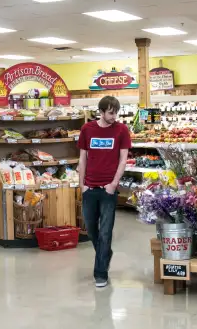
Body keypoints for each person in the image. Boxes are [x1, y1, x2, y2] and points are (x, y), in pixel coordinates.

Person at [78, 96, 131, 288]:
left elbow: (123, 160)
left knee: (105, 232)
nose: (114, 116)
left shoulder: (122, 130)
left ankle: (100, 273)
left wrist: (114, 184)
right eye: (110, 112)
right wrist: (81, 185)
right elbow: (82, 158)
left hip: (108, 189)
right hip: (89, 188)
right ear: (100, 111)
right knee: (92, 229)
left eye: (116, 112)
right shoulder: (87, 129)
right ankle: (105, 254)